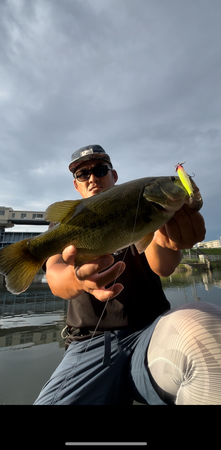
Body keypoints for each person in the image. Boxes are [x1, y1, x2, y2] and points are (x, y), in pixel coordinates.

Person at [34, 145, 221, 405]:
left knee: (207, 325)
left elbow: (163, 265)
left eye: (100, 170)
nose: (92, 178)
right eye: (82, 174)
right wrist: (78, 279)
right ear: (76, 185)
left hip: (152, 336)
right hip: (88, 344)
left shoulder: (145, 208)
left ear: (114, 176)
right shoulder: (65, 225)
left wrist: (171, 241)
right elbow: (56, 276)